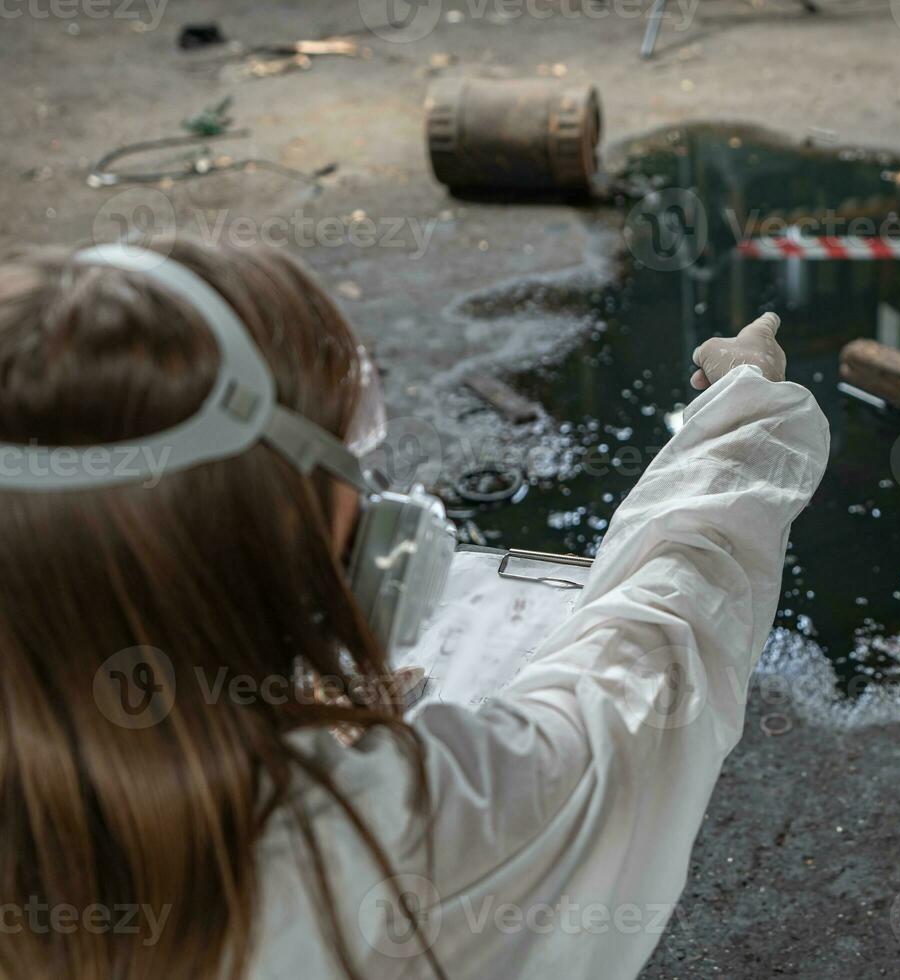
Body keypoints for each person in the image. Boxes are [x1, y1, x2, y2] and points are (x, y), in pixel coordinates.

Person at [0, 240, 829, 980]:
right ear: (263, 534)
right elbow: (647, 665)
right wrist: (744, 409)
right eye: (346, 460)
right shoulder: (385, 842)